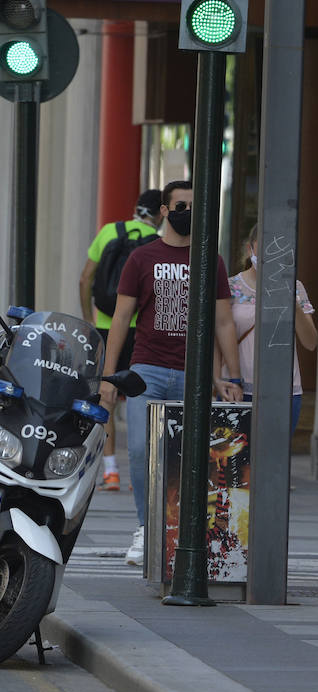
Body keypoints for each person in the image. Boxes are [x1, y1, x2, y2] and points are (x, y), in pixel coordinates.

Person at [101, 180, 243, 567]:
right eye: (180, 206)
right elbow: (121, 319)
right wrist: (109, 377)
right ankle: (145, 528)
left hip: (192, 374)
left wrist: (231, 377)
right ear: (164, 211)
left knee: (188, 461)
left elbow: (223, 322)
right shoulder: (141, 258)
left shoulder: (210, 260)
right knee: (140, 451)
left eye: (194, 206)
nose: (187, 213)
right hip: (145, 370)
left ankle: (179, 535)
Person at [78, 189, 162, 491]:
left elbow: (85, 278)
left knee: (106, 397)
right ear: (161, 214)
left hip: (105, 326)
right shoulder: (157, 244)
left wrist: (89, 319)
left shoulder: (109, 232)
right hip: (143, 331)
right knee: (144, 398)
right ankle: (143, 474)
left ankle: (111, 471)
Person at [223, 223, 317, 434]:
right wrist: (222, 381)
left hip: (284, 391)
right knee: (236, 454)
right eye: (265, 246)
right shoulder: (230, 287)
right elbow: (219, 338)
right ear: (250, 248)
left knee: (275, 454)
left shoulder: (295, 287)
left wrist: (291, 300)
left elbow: (311, 342)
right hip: (237, 389)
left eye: (279, 249)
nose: (271, 254)